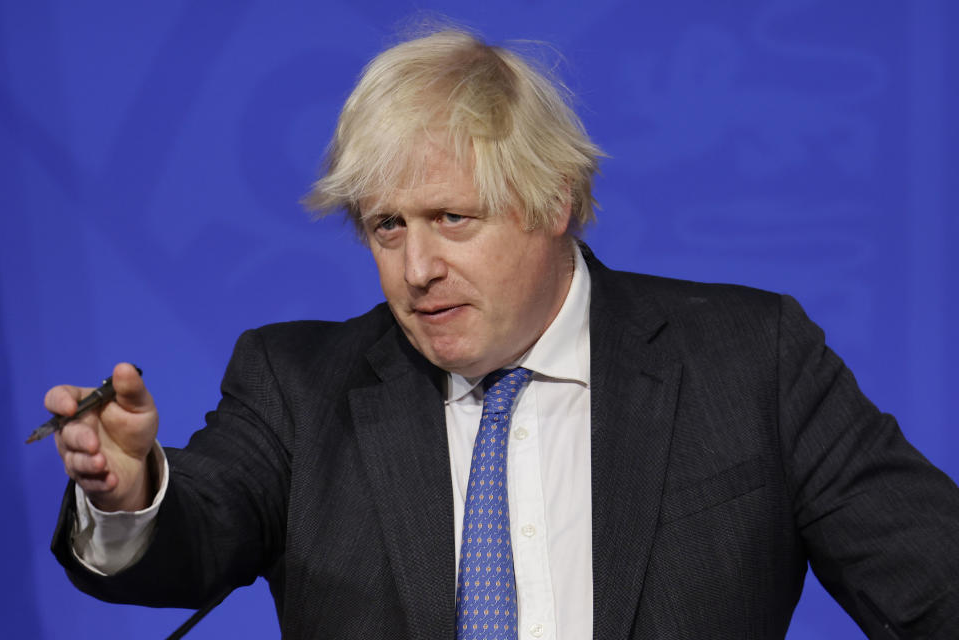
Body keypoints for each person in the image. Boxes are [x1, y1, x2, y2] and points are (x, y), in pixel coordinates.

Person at [46, 28, 959, 640]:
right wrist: (133, 496)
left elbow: (934, 585)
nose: (416, 268)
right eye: (386, 227)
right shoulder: (295, 384)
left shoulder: (751, 358)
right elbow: (197, 534)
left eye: (451, 217)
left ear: (554, 200)